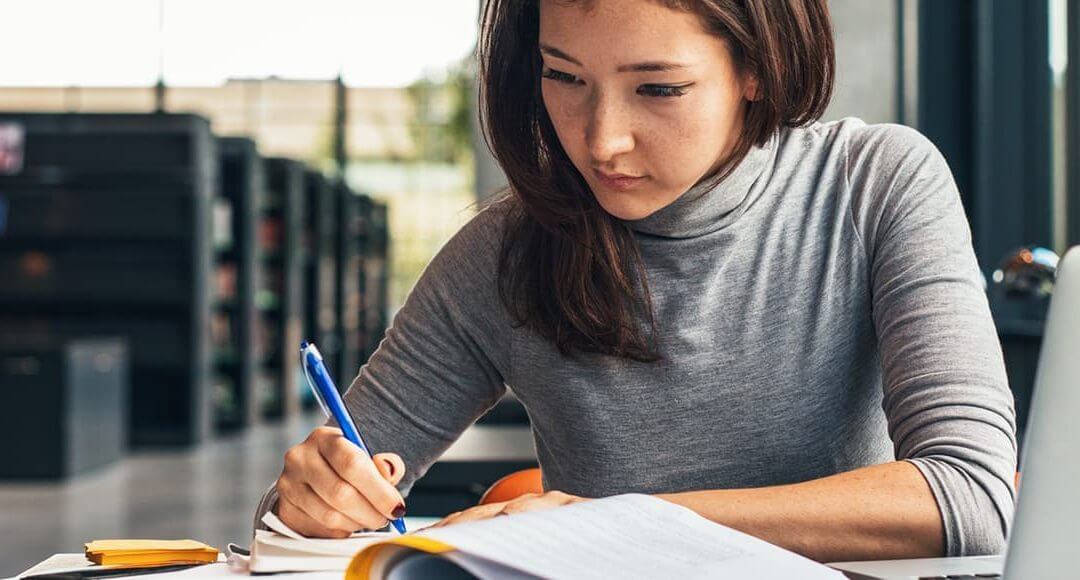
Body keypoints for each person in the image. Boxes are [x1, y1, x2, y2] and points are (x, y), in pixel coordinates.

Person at [255, 0, 1016, 562]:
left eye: (657, 89)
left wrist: (603, 521)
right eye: (565, 77)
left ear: (756, 67)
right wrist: (312, 504)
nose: (600, 138)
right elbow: (281, 530)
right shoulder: (501, 255)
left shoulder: (876, 184)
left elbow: (969, 498)